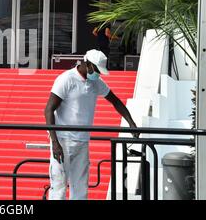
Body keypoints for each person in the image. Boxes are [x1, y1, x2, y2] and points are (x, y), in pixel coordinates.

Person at [44, 49, 139, 200]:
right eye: (96, 70)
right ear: (87, 64)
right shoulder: (66, 79)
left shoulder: (96, 82)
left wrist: (131, 123)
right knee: (59, 186)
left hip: (83, 141)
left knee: (80, 187)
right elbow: (49, 110)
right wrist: (55, 142)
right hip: (63, 141)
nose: (98, 74)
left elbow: (115, 101)